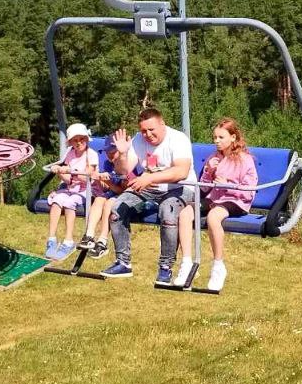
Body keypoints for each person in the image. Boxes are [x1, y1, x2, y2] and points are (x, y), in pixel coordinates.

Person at [105, 107, 197, 282]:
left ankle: (165, 267)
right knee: (117, 208)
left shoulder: (178, 139)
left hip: (179, 187)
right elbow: (123, 170)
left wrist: (149, 178)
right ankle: (123, 263)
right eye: (143, 131)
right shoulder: (138, 140)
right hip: (149, 187)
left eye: (151, 130)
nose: (147, 134)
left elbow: (181, 172)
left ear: (162, 124)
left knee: (168, 210)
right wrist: (122, 154)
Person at [176, 118, 259, 292]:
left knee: (214, 216)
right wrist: (208, 171)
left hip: (235, 200)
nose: (216, 141)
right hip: (215, 197)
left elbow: (250, 190)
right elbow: (205, 187)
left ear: (233, 137)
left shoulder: (244, 160)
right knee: (185, 213)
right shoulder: (213, 158)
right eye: (214, 137)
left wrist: (227, 184)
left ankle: (218, 266)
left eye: (221, 137)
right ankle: (186, 263)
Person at [43, 123, 97, 260]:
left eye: (82, 139)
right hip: (71, 188)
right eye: (75, 140)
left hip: (86, 190)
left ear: (86, 138)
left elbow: (89, 177)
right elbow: (68, 180)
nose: (79, 143)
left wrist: (71, 171)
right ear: (71, 142)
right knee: (56, 201)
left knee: (69, 203)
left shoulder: (91, 155)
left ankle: (68, 241)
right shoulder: (70, 153)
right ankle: (51, 239)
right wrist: (59, 172)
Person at [78, 140, 131, 258]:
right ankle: (89, 235)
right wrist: (98, 179)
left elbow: (121, 190)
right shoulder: (108, 163)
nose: (110, 155)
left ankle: (102, 241)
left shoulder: (127, 165)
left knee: (109, 204)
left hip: (126, 195)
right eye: (107, 152)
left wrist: (107, 181)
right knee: (99, 199)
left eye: (113, 152)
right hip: (112, 193)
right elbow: (106, 188)